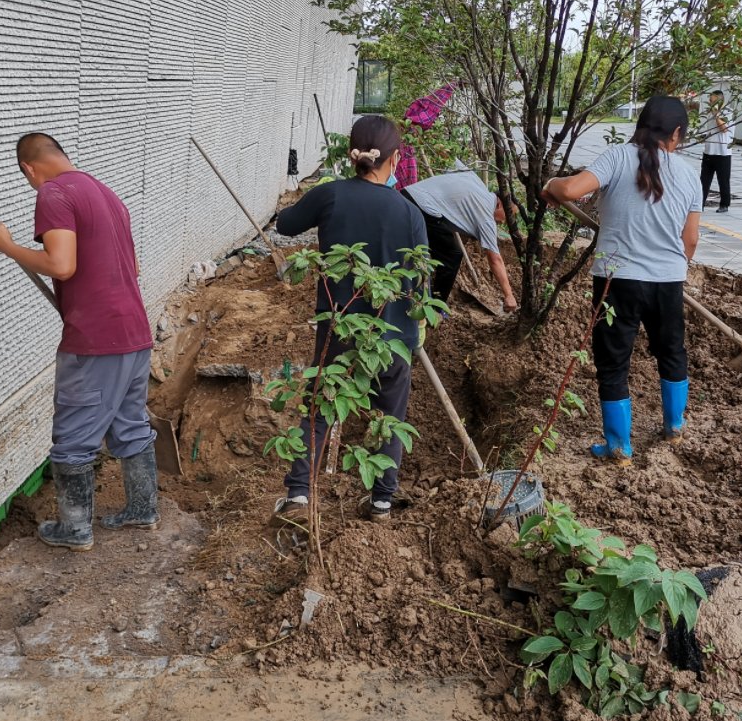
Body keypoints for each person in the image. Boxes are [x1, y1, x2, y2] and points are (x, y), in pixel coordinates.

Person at [0, 133, 160, 551]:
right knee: (131, 424)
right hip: (134, 332)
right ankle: (142, 509)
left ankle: (75, 528)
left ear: (29, 168)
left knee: (73, 436)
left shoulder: (54, 193)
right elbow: (132, 266)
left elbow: (61, 265)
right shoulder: (107, 194)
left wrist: (7, 247)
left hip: (95, 339)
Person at [272, 115, 428, 524]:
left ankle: (299, 496)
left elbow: (285, 224)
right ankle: (381, 502)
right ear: (394, 160)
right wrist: (415, 332)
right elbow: (420, 282)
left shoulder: (332, 195)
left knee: (320, 408)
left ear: (350, 154)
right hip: (391, 339)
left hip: (338, 332)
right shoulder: (408, 211)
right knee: (389, 418)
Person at [541, 96, 702, 465]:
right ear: (676, 133)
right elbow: (689, 241)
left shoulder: (617, 157)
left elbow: (569, 191)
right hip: (668, 281)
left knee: (614, 362)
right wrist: (672, 270)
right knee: (672, 352)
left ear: (641, 125)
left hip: (617, 280)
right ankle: (674, 427)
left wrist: (550, 183)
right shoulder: (689, 174)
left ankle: (618, 447)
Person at [402, 167, 518, 311]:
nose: (506, 222)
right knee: (452, 255)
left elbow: (454, 165)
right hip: (421, 209)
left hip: (407, 195)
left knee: (433, 249)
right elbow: (495, 259)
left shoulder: (476, 182)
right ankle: (435, 308)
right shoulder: (486, 216)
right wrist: (509, 295)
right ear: (499, 204)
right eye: (509, 215)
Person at [699, 90, 733, 213]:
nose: (710, 103)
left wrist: (716, 115)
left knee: (723, 180)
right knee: (704, 180)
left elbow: (724, 129)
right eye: (710, 101)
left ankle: (724, 204)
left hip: (723, 152)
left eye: (712, 101)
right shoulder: (710, 113)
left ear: (720, 100)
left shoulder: (728, 112)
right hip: (709, 151)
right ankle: (699, 203)